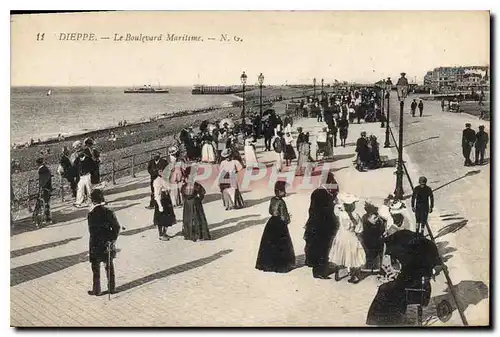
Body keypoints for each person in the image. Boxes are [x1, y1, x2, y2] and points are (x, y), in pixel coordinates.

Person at [303, 172, 339, 279]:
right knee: (322, 248)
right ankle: (320, 271)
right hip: (323, 226)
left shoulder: (317, 192)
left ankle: (319, 268)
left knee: (317, 247)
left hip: (315, 224)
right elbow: (325, 212)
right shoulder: (324, 194)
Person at [256, 181, 295, 273]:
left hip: (272, 222)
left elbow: (271, 211)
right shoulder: (281, 202)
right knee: (282, 244)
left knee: (270, 244)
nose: (285, 192)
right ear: (279, 191)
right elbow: (284, 216)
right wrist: (287, 219)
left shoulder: (273, 199)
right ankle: (281, 264)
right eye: (283, 191)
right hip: (280, 224)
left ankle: (269, 263)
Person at [87, 189, 121, 296]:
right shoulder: (109, 212)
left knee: (95, 268)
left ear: (93, 201)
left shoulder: (91, 214)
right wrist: (112, 239)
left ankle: (97, 289)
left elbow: (91, 231)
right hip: (107, 242)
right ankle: (111, 288)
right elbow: (116, 227)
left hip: (96, 243)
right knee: (109, 266)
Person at [330, 194, 365, 284]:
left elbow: (336, 209)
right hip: (351, 236)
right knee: (353, 255)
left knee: (339, 253)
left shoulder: (341, 213)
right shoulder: (355, 215)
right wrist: (356, 230)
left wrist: (340, 206)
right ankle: (353, 275)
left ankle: (337, 273)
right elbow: (359, 228)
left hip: (341, 235)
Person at [181, 166, 211, 241]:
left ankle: (190, 235)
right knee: (197, 218)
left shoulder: (184, 186)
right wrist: (198, 200)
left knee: (189, 219)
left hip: (187, 204)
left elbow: (183, 196)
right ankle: (198, 235)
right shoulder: (196, 185)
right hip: (194, 203)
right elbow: (202, 193)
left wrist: (187, 201)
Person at [153, 167, 177, 241]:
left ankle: (164, 232)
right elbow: (157, 194)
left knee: (168, 218)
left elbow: (170, 189)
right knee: (161, 219)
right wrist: (159, 205)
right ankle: (161, 234)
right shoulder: (157, 181)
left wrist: (173, 200)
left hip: (167, 199)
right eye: (160, 171)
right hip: (161, 200)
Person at [35, 157, 52, 225]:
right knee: (46, 203)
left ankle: (47, 218)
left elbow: (43, 180)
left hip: (44, 188)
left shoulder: (42, 170)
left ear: (38, 164)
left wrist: (41, 187)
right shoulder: (44, 168)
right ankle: (47, 218)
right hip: (46, 188)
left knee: (45, 203)